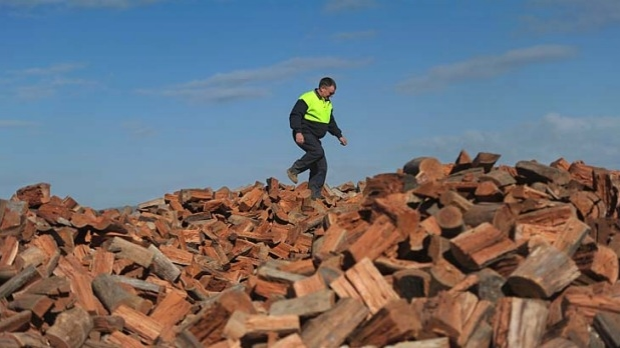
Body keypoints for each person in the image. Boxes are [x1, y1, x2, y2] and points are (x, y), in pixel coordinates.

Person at [286, 77, 348, 200]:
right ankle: (294, 169)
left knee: (321, 166)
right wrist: (298, 132)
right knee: (317, 151)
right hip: (304, 132)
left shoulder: (328, 103)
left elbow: (330, 122)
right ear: (322, 88)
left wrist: (339, 135)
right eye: (331, 93)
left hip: (315, 137)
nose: (332, 95)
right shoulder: (307, 98)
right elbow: (295, 115)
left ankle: (314, 195)